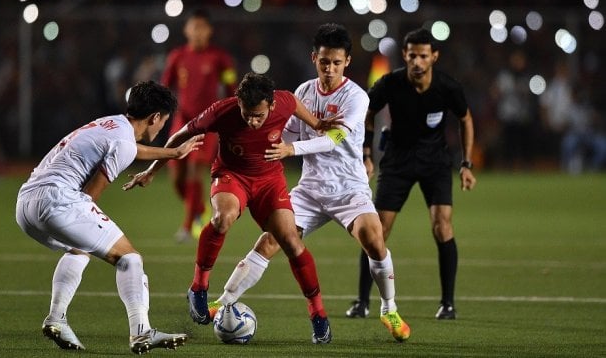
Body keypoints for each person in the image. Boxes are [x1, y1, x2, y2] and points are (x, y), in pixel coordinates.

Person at [205, 23, 411, 343]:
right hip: (310, 189)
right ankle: (224, 300)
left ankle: (389, 308)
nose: (329, 69)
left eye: (336, 63)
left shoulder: (356, 97)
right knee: (270, 241)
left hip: (349, 188)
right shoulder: (302, 92)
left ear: (347, 62)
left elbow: (333, 139)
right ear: (314, 57)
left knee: (374, 237)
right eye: (324, 61)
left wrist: (291, 149)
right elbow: (284, 134)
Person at [123, 72, 341, 344]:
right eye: (246, 113)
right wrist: (153, 170)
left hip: (270, 181)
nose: (251, 120)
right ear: (238, 102)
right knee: (222, 218)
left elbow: (294, 102)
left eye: (258, 116)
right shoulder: (221, 111)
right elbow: (180, 134)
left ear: (271, 105)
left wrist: (317, 123)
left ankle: (318, 314)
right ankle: (199, 287)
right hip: (232, 176)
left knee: (292, 242)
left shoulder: (283, 102)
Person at [15, 81, 204, 353]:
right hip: (57, 201)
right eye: (163, 121)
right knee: (129, 258)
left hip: (26, 204)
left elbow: (131, 148)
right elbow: (90, 195)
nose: (163, 127)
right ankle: (142, 332)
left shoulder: (111, 123)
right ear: (155, 117)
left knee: (79, 250)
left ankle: (57, 318)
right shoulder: (123, 142)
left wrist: (172, 153)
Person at [348, 28, 477, 320]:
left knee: (442, 227)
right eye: (411, 55)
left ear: (434, 56)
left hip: (435, 162)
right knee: (376, 230)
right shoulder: (391, 83)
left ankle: (448, 304)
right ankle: (362, 302)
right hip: (398, 161)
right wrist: (366, 153)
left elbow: (466, 119)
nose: (417, 61)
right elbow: (366, 113)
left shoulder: (447, 87)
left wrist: (466, 164)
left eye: (422, 55)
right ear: (404, 55)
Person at [160, 8, 238, 242]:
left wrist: (232, 116)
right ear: (186, 30)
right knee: (176, 177)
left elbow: (231, 89)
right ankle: (201, 210)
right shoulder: (177, 57)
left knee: (195, 172)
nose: (198, 32)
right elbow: (166, 87)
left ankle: (187, 226)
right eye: (194, 27)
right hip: (182, 122)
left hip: (208, 123)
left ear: (209, 31)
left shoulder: (220, 58)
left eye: (202, 27)